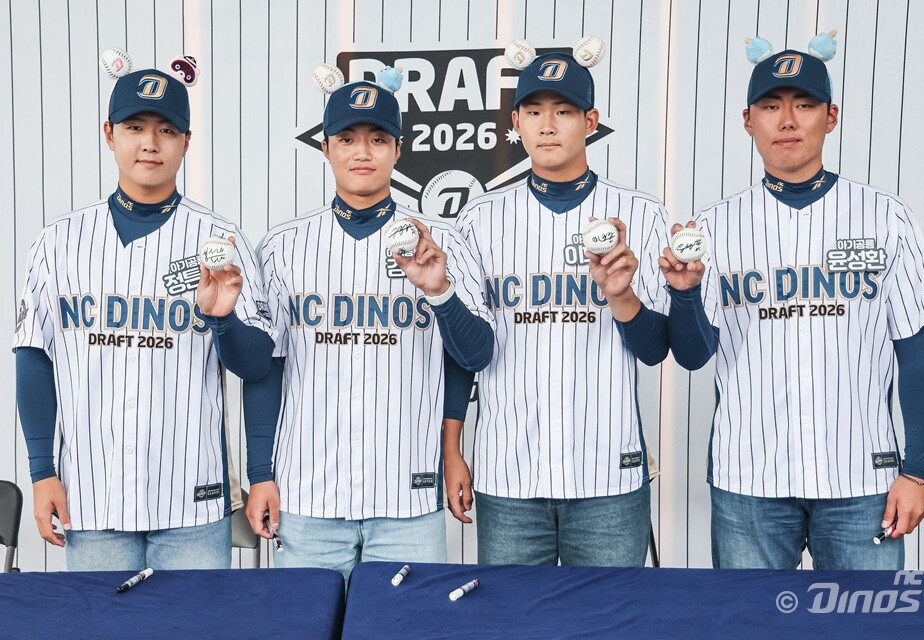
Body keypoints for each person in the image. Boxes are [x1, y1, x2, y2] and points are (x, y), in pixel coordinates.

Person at [448, 41, 716, 566]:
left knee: (610, 613)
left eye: (564, 111)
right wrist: (452, 448)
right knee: (512, 614)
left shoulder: (639, 211)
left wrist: (621, 297)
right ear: (516, 123)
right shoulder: (479, 218)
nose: (547, 125)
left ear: (590, 121)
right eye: (534, 111)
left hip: (608, 475)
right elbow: (464, 351)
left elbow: (659, 350)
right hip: (509, 474)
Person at [692, 34, 924, 569]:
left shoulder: (884, 216)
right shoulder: (711, 228)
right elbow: (692, 353)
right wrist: (683, 293)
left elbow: (918, 351)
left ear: (831, 117)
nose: (787, 120)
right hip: (748, 480)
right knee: (751, 617)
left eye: (804, 105)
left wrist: (918, 471)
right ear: (747, 120)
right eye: (771, 106)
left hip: (862, 480)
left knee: (864, 616)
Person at [14, 61, 276, 571]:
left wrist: (223, 320)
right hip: (92, 496)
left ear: (186, 141)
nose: (150, 143)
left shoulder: (221, 241)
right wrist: (42, 471)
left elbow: (257, 365)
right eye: (135, 127)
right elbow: (34, 357)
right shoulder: (60, 241)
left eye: (166, 130)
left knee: (195, 618)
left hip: (193, 500)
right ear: (109, 134)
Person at [242, 70, 494, 582]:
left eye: (378, 139)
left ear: (398, 150)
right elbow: (266, 369)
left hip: (408, 498)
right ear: (326, 148)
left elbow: (474, 356)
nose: (363, 152)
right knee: (306, 621)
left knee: (405, 623)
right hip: (306, 496)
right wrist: (260, 474)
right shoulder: (283, 246)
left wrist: (440, 293)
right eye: (348, 139)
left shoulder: (442, 239)